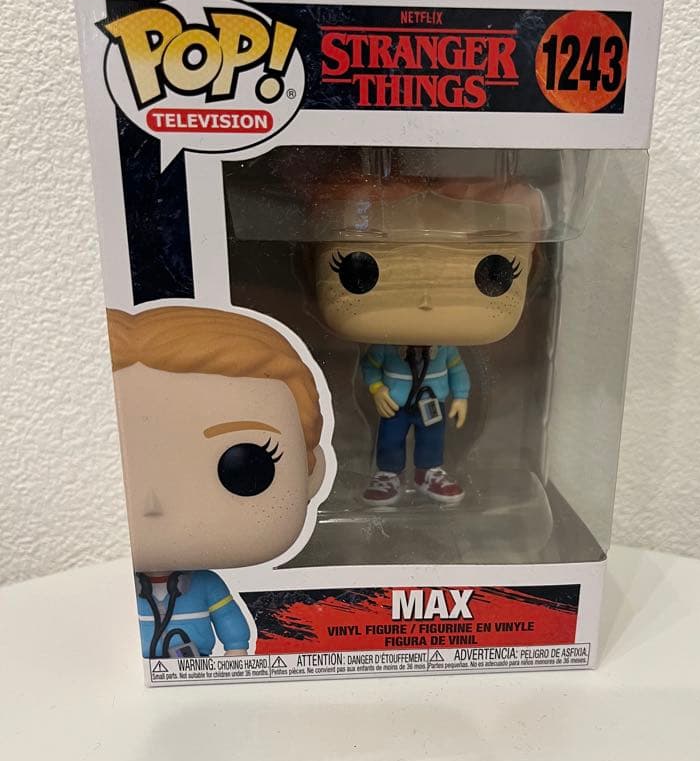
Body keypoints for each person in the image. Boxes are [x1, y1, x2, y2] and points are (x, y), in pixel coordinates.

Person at [107, 306, 329, 657]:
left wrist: (237, 651)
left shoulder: (204, 585)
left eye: (244, 467)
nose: (152, 503)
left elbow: (229, 621)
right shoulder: (108, 592)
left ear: (311, 474)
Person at [313, 174, 541, 505]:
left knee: (432, 440)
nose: (424, 301)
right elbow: (370, 366)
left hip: (431, 402)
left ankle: (429, 472)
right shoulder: (387, 346)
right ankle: (388, 474)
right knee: (390, 440)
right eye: (358, 270)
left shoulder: (443, 348)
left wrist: (461, 397)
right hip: (395, 403)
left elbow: (457, 369)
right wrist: (377, 390)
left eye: (494, 272)